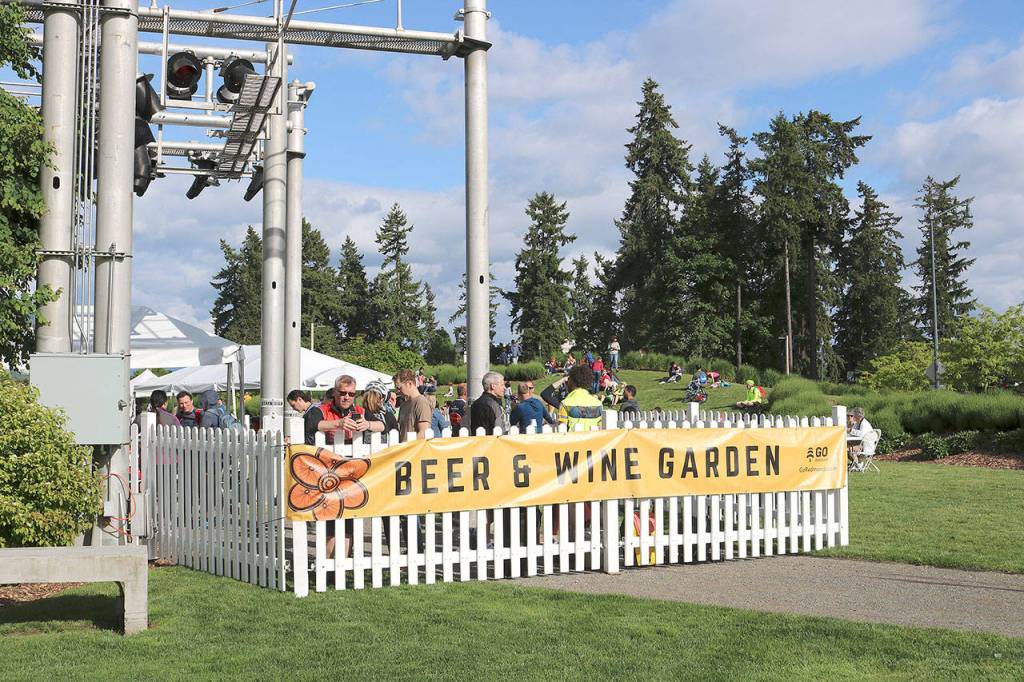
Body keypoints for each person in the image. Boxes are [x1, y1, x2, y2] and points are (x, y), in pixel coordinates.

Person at [541, 364, 604, 431]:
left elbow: (545, 394)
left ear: (571, 381)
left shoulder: (566, 403)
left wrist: (563, 380)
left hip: (574, 440)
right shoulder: (598, 403)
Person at [316, 375, 366, 445]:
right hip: (328, 453)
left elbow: (384, 425)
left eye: (351, 394)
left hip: (356, 453)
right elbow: (310, 424)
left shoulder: (361, 411)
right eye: (342, 393)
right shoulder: (321, 410)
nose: (347, 397)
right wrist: (338, 424)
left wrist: (368, 424)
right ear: (334, 392)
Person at [396, 369, 431, 441]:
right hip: (404, 450)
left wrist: (408, 447)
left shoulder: (421, 402)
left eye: (399, 388)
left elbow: (424, 432)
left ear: (409, 384)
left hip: (413, 450)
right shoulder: (403, 404)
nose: (397, 391)